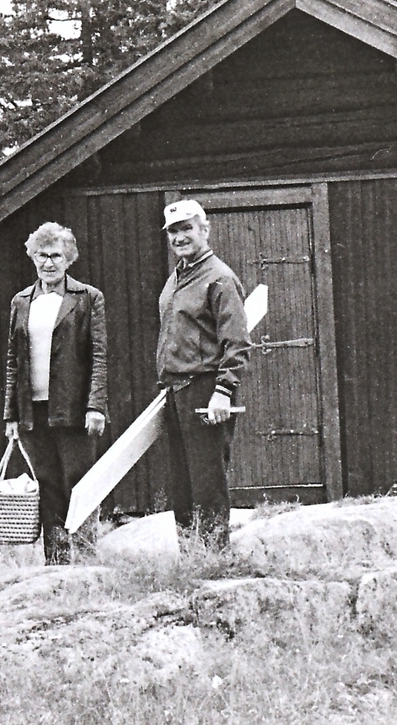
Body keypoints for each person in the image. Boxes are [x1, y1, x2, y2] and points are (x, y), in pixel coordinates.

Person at [3, 222, 107, 565]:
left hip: (74, 409)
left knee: (79, 482)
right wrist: (11, 415)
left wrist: (95, 406)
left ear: (69, 259)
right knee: (47, 484)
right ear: (33, 257)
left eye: (56, 256)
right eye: (42, 256)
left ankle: (88, 559)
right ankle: (57, 562)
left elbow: (99, 356)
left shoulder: (87, 298)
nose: (48, 263)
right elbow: (12, 362)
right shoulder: (21, 302)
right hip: (34, 410)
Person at [156, 199, 251, 552]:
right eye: (173, 232)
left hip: (205, 391)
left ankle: (214, 560)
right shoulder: (178, 277)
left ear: (204, 230)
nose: (180, 237)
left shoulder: (220, 278)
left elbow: (237, 341)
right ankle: (191, 559)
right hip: (176, 390)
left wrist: (223, 391)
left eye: (187, 229)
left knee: (207, 482)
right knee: (182, 485)